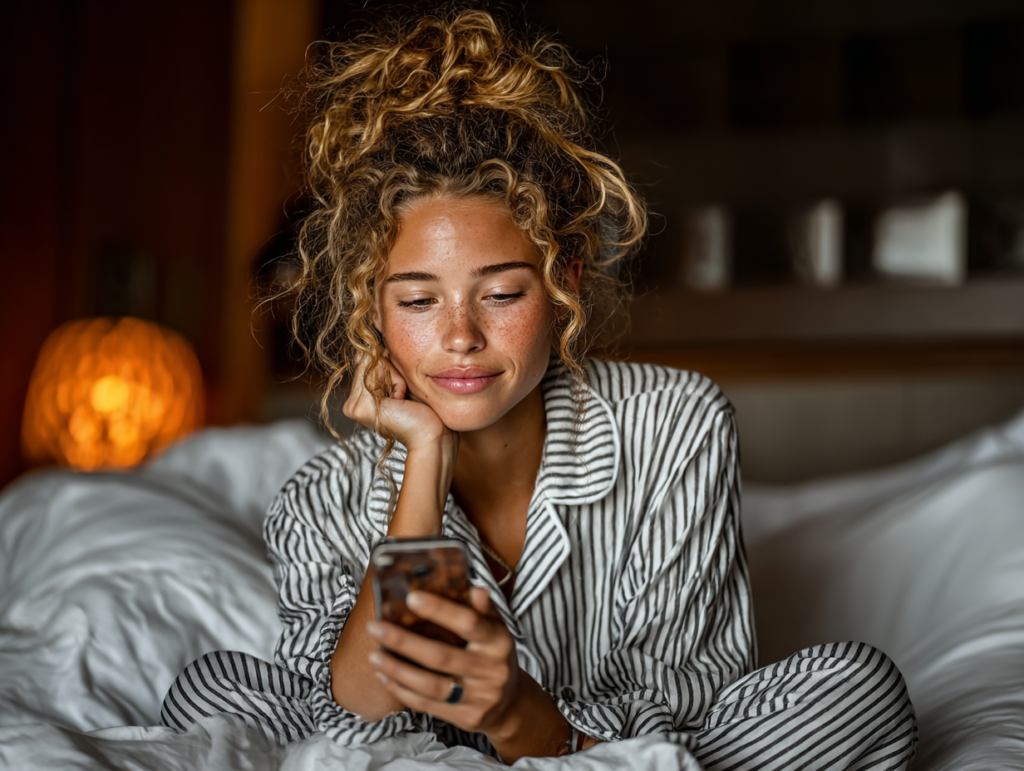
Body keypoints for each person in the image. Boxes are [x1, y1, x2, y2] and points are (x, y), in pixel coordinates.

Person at [161, 8, 917, 767]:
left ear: (563, 288)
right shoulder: (323, 498)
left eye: (501, 294)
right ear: (374, 313)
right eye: (419, 301)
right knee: (210, 689)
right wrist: (423, 462)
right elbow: (354, 717)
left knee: (857, 690)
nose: (460, 336)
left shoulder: (676, 423)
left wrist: (519, 715)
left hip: (600, 751)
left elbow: (689, 701)